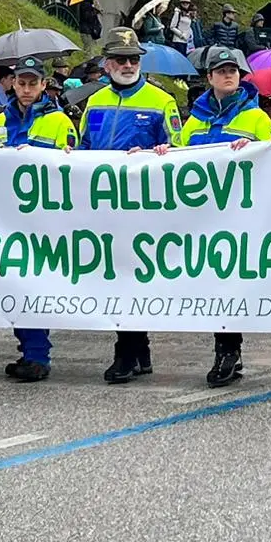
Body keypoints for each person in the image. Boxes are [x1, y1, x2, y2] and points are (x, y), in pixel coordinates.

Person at [79, 27, 183, 382]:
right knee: (115, 278)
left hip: (144, 207)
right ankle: (139, 352)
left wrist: (159, 155)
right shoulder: (93, 101)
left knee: (132, 278)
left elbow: (180, 153)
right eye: (121, 59)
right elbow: (84, 148)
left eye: (133, 59)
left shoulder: (161, 101)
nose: (128, 65)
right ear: (107, 64)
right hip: (105, 205)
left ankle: (127, 352)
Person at [176, 46, 271, 387]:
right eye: (221, 70)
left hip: (241, 216)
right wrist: (164, 152)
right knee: (211, 285)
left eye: (234, 70)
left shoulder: (257, 117)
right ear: (210, 77)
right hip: (201, 216)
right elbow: (179, 157)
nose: (229, 75)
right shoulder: (195, 119)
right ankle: (225, 349)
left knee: (229, 283)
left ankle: (229, 351)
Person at [0, 55, 79, 382]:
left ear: (44, 85)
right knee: (10, 285)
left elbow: (74, 169)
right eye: (21, 83)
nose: (26, 89)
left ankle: (38, 354)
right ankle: (28, 349)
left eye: (32, 83)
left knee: (32, 286)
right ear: (13, 84)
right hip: (3, 217)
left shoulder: (59, 122)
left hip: (43, 219)